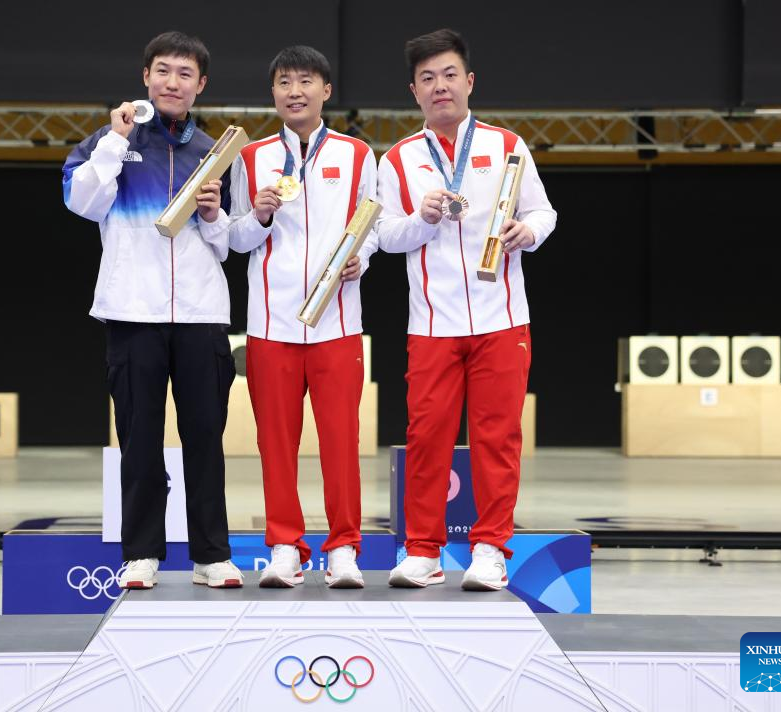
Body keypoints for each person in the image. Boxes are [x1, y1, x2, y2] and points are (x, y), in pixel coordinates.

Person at [376, 29, 557, 590]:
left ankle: (489, 550)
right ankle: (423, 550)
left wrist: (527, 232)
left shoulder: (508, 145)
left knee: (497, 436)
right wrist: (421, 219)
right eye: (427, 79)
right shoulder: (401, 160)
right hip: (433, 322)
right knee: (427, 435)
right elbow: (384, 236)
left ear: (469, 81)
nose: (440, 87)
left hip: (502, 317)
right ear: (414, 91)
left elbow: (545, 213)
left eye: (449, 75)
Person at [62, 31, 242, 589]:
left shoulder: (216, 152)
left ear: (201, 85)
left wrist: (212, 214)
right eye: (163, 71)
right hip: (132, 314)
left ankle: (212, 554)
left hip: (199, 314)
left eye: (184, 74)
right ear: (146, 77)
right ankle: (141, 552)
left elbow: (229, 243)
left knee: (205, 439)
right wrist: (114, 143)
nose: (172, 82)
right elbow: (81, 202)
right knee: (139, 439)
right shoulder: (107, 141)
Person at [227, 46, 378, 588]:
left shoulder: (359, 155)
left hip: (338, 323)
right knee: (276, 442)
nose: (295, 91)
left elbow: (374, 223)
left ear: (326, 91)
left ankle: (343, 548)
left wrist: (365, 255)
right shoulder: (251, 158)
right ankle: (285, 544)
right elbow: (235, 237)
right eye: (285, 82)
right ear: (273, 93)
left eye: (306, 81)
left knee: (341, 440)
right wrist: (261, 214)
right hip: (271, 325)